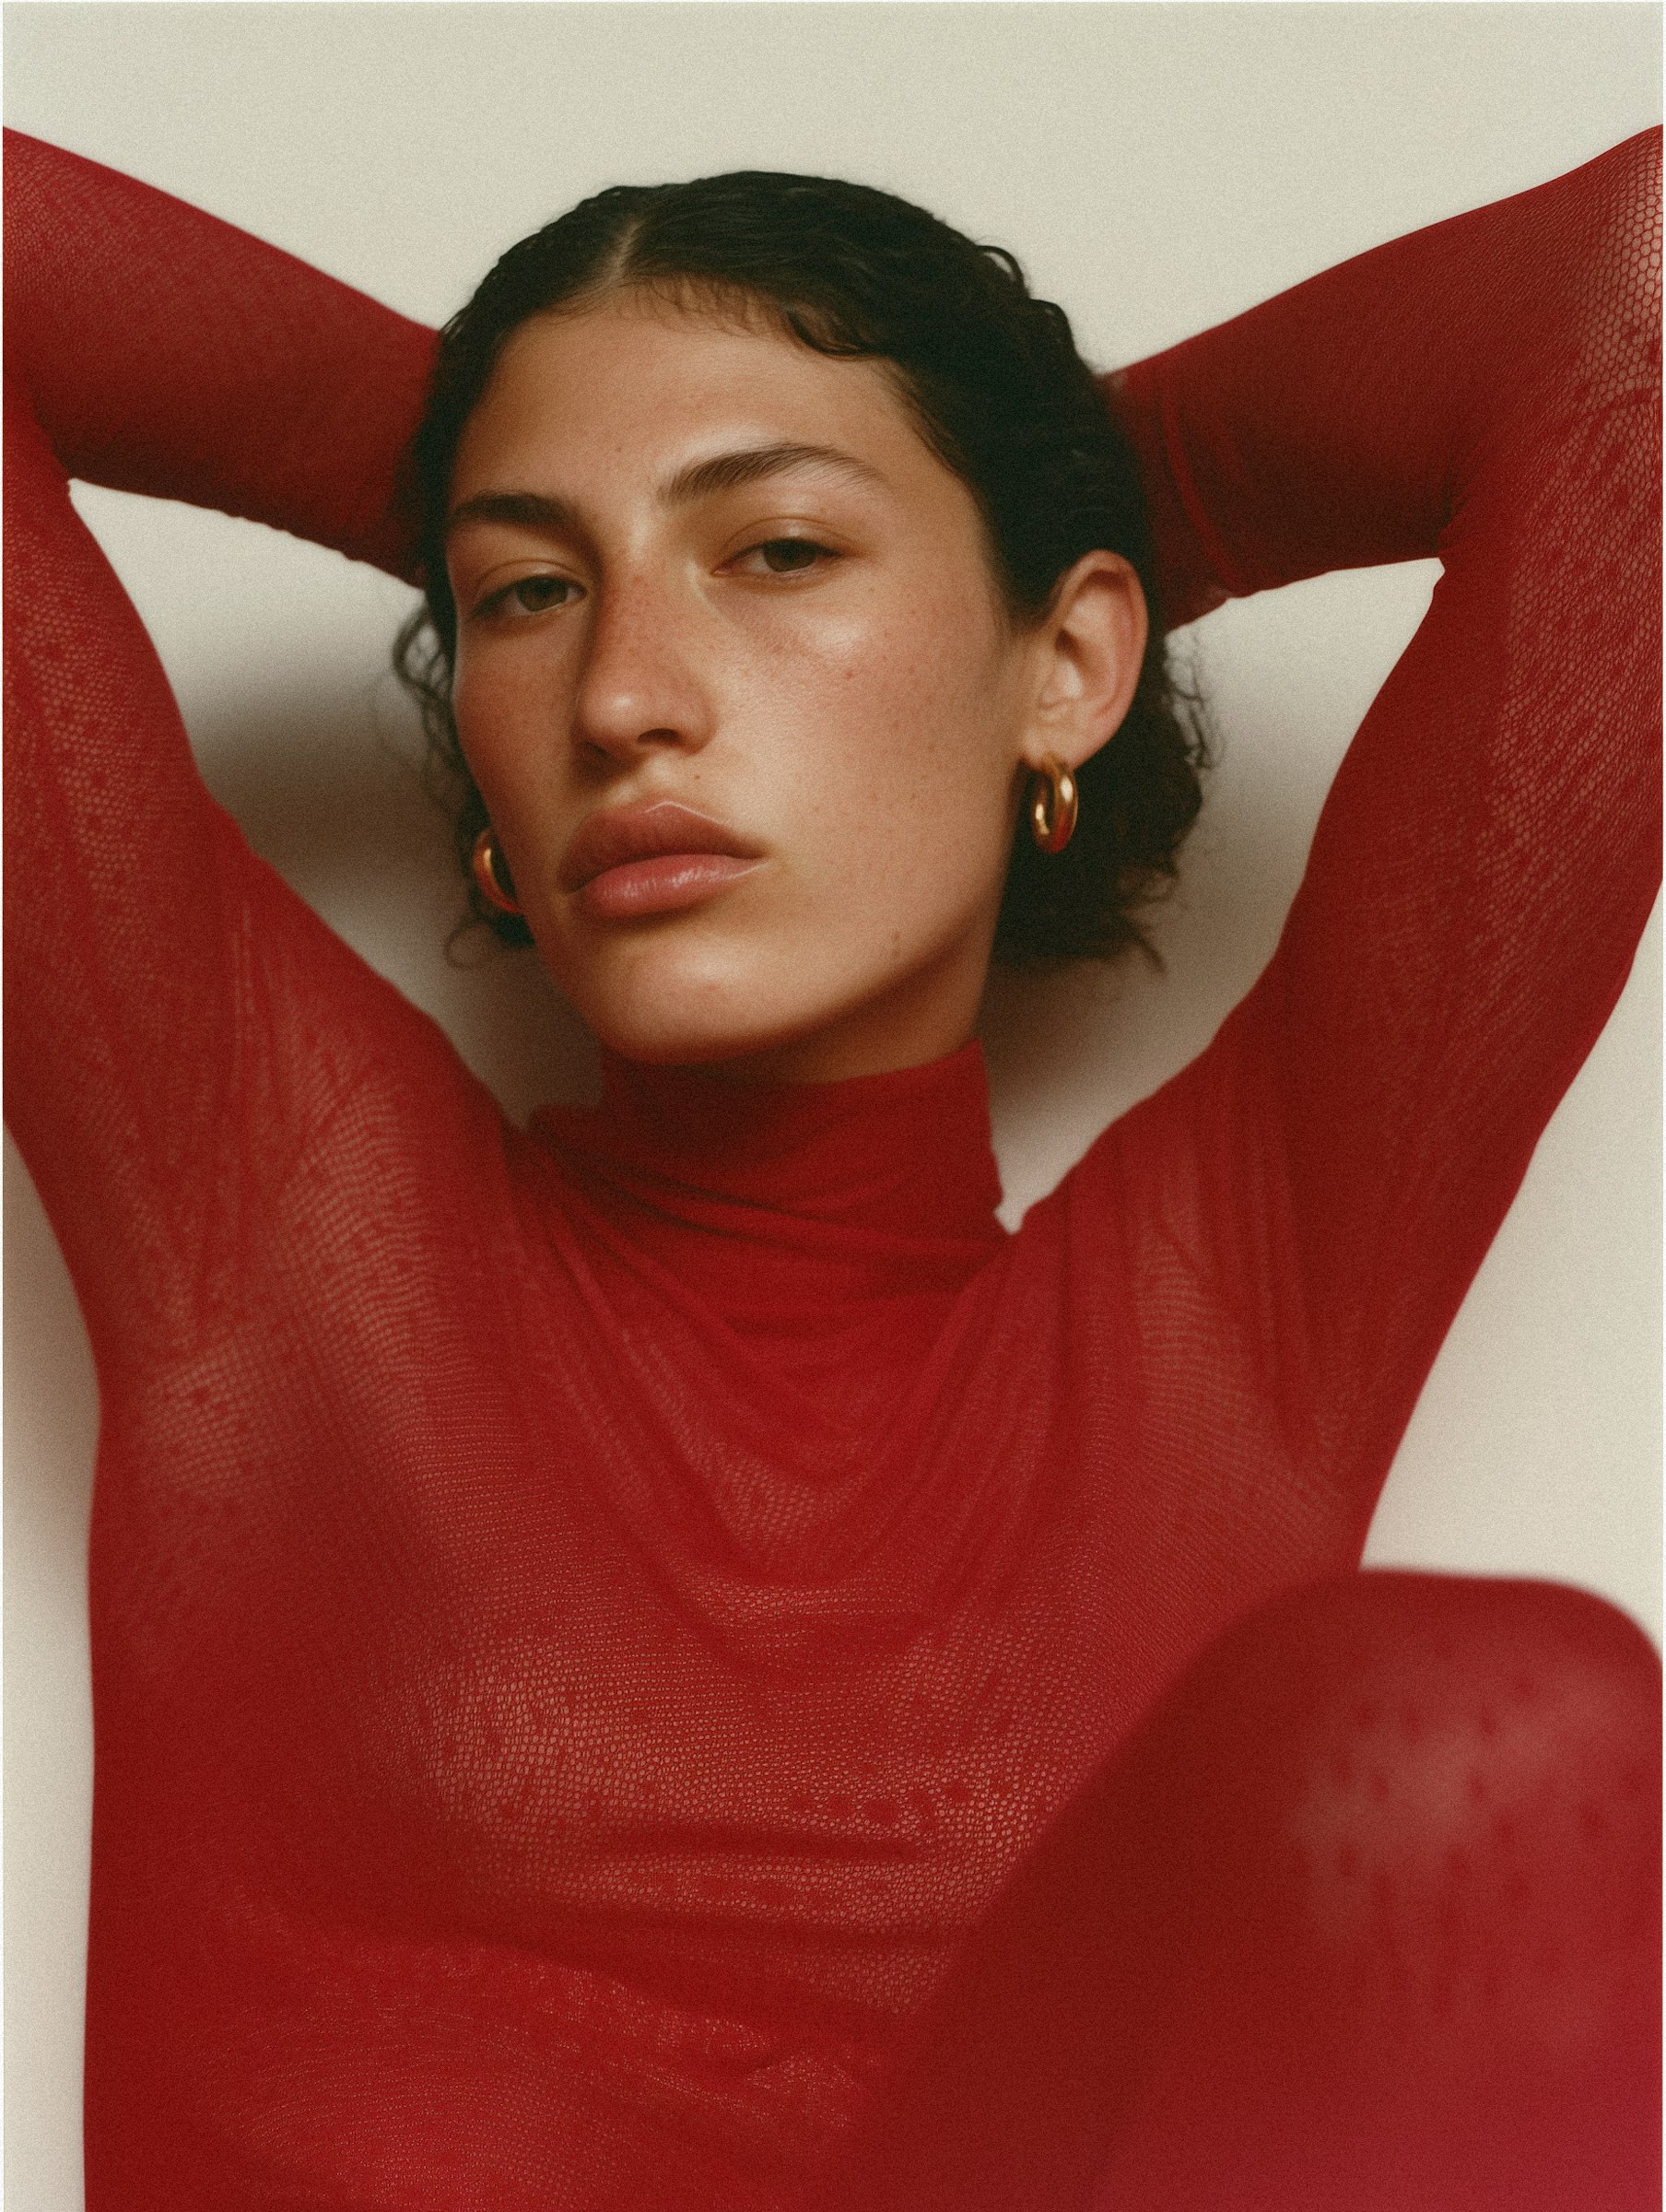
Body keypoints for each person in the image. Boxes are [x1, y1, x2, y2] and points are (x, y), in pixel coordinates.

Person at [5, 116, 1659, 2212]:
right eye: (524, 591)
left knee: (1485, 1734)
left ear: (1075, 665)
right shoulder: (280, 1222)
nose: (621, 694)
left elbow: (1636, 286)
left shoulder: (1226, 1315)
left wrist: (1055, 489)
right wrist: (488, 450)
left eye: (779, 553)